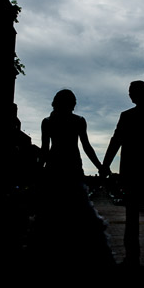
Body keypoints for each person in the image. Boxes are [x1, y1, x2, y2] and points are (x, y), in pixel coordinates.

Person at [33, 89, 115, 269]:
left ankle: (50, 255)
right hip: (72, 168)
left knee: (52, 214)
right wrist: (100, 166)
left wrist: (38, 171)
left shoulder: (47, 122)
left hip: (54, 170)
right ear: (72, 103)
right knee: (79, 212)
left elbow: (45, 150)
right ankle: (85, 255)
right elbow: (86, 146)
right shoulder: (78, 121)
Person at [102, 81, 144, 267]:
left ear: (135, 94)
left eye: (130, 92)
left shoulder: (127, 116)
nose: (129, 95)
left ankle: (132, 255)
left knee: (131, 217)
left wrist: (105, 165)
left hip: (132, 172)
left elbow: (115, 141)